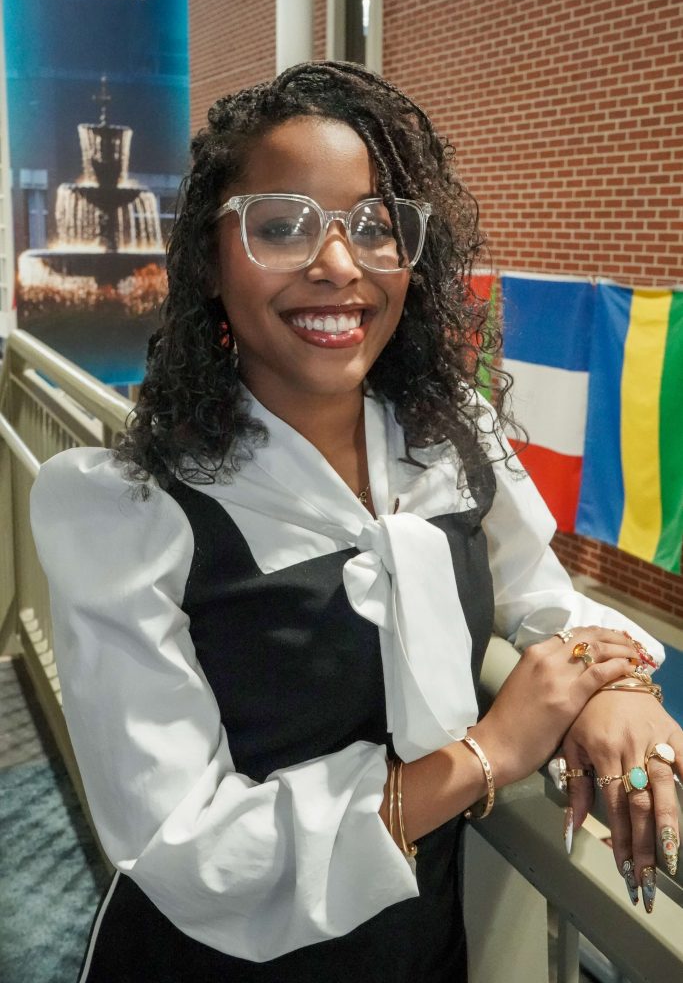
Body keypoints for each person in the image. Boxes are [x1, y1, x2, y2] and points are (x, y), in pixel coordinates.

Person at [30, 61, 681, 983]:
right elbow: (185, 845)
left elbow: (542, 597)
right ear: (210, 260)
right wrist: (487, 753)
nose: (338, 264)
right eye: (283, 225)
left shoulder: (451, 437)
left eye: (375, 226)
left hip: (422, 948)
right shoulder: (127, 507)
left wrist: (614, 686)